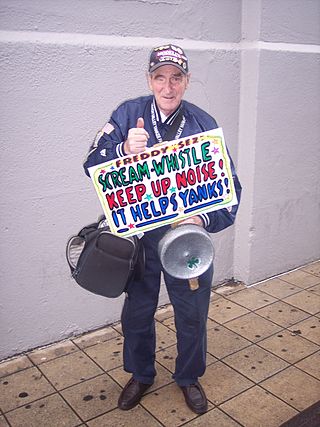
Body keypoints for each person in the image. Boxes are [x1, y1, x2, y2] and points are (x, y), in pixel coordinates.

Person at [84, 44, 241, 414]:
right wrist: (122, 148)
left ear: (186, 82)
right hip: (140, 238)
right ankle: (140, 373)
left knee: (192, 311)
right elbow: (91, 162)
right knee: (137, 311)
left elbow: (230, 189)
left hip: (187, 240)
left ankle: (188, 377)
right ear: (149, 80)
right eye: (160, 77)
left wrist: (202, 218)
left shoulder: (204, 124)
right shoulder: (128, 114)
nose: (167, 87)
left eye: (176, 78)